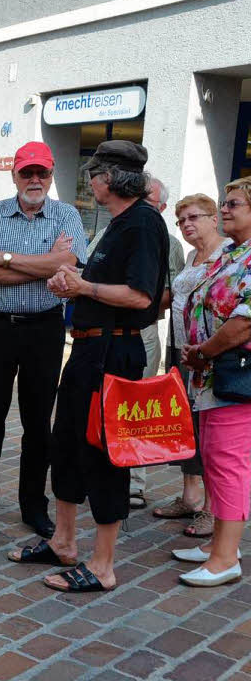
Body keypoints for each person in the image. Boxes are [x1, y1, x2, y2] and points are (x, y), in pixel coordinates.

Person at [10, 140, 167, 593]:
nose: (91, 183)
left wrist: (83, 288)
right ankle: (63, 542)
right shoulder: (117, 223)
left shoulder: (142, 223)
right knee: (68, 445)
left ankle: (102, 565)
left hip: (114, 354)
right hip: (87, 351)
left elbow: (140, 297)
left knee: (104, 455)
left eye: (95, 175)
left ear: (112, 179)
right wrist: (76, 287)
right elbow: (101, 284)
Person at [0, 142, 87, 539]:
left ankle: (34, 505)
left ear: (51, 175)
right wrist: (46, 262)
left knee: (38, 423)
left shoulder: (67, 215)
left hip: (45, 329)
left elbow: (69, 268)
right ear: (14, 174)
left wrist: (8, 259)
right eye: (27, 172)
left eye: (42, 173)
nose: (35, 180)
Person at [87, 177, 185, 510]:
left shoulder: (166, 240)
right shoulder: (110, 230)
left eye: (150, 201)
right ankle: (101, 472)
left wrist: (135, 301)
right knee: (98, 404)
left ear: (161, 207)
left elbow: (170, 290)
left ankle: (134, 484)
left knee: (133, 407)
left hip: (137, 330)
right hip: (100, 331)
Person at [175, 177, 251, 586]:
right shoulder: (234, 254)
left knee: (228, 464)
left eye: (234, 204)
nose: (225, 209)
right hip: (210, 371)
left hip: (235, 371)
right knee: (214, 458)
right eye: (223, 203)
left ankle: (226, 559)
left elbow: (243, 322)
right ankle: (219, 546)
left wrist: (204, 351)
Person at [151, 194, 229, 536]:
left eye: (194, 217)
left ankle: (214, 509)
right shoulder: (192, 255)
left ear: (214, 218)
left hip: (211, 354)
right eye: (181, 220)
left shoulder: (228, 253)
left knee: (212, 432)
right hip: (182, 350)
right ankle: (190, 496)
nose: (186, 225)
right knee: (186, 425)